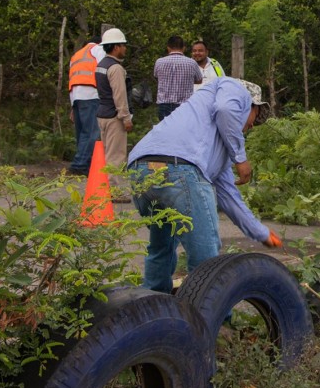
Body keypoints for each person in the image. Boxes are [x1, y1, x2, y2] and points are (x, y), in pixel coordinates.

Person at [128, 77, 281, 293]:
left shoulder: (208, 145)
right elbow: (226, 109)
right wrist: (241, 157)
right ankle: (212, 320)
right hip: (180, 168)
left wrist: (261, 233)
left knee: (161, 247)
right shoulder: (233, 87)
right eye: (254, 118)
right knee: (205, 256)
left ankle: (154, 308)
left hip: (140, 169)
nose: (250, 126)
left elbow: (229, 198)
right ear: (249, 105)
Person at [96, 28, 133, 169]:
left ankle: (104, 188)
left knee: (106, 155)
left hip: (102, 113)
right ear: (116, 47)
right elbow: (119, 95)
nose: (125, 48)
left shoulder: (101, 65)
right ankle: (114, 189)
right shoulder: (115, 68)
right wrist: (126, 118)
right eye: (123, 45)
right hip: (114, 117)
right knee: (115, 157)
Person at [68, 35, 105, 175]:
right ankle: (80, 164)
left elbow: (72, 78)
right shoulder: (98, 49)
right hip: (90, 93)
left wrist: (72, 104)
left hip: (76, 95)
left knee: (82, 132)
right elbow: (103, 70)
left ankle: (83, 162)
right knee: (91, 132)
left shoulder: (76, 55)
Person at [154, 35, 203, 120]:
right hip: (185, 105)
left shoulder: (159, 62)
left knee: (166, 132)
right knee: (183, 131)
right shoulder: (191, 63)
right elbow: (199, 80)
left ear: (168, 48)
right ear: (183, 48)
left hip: (164, 105)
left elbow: (156, 76)